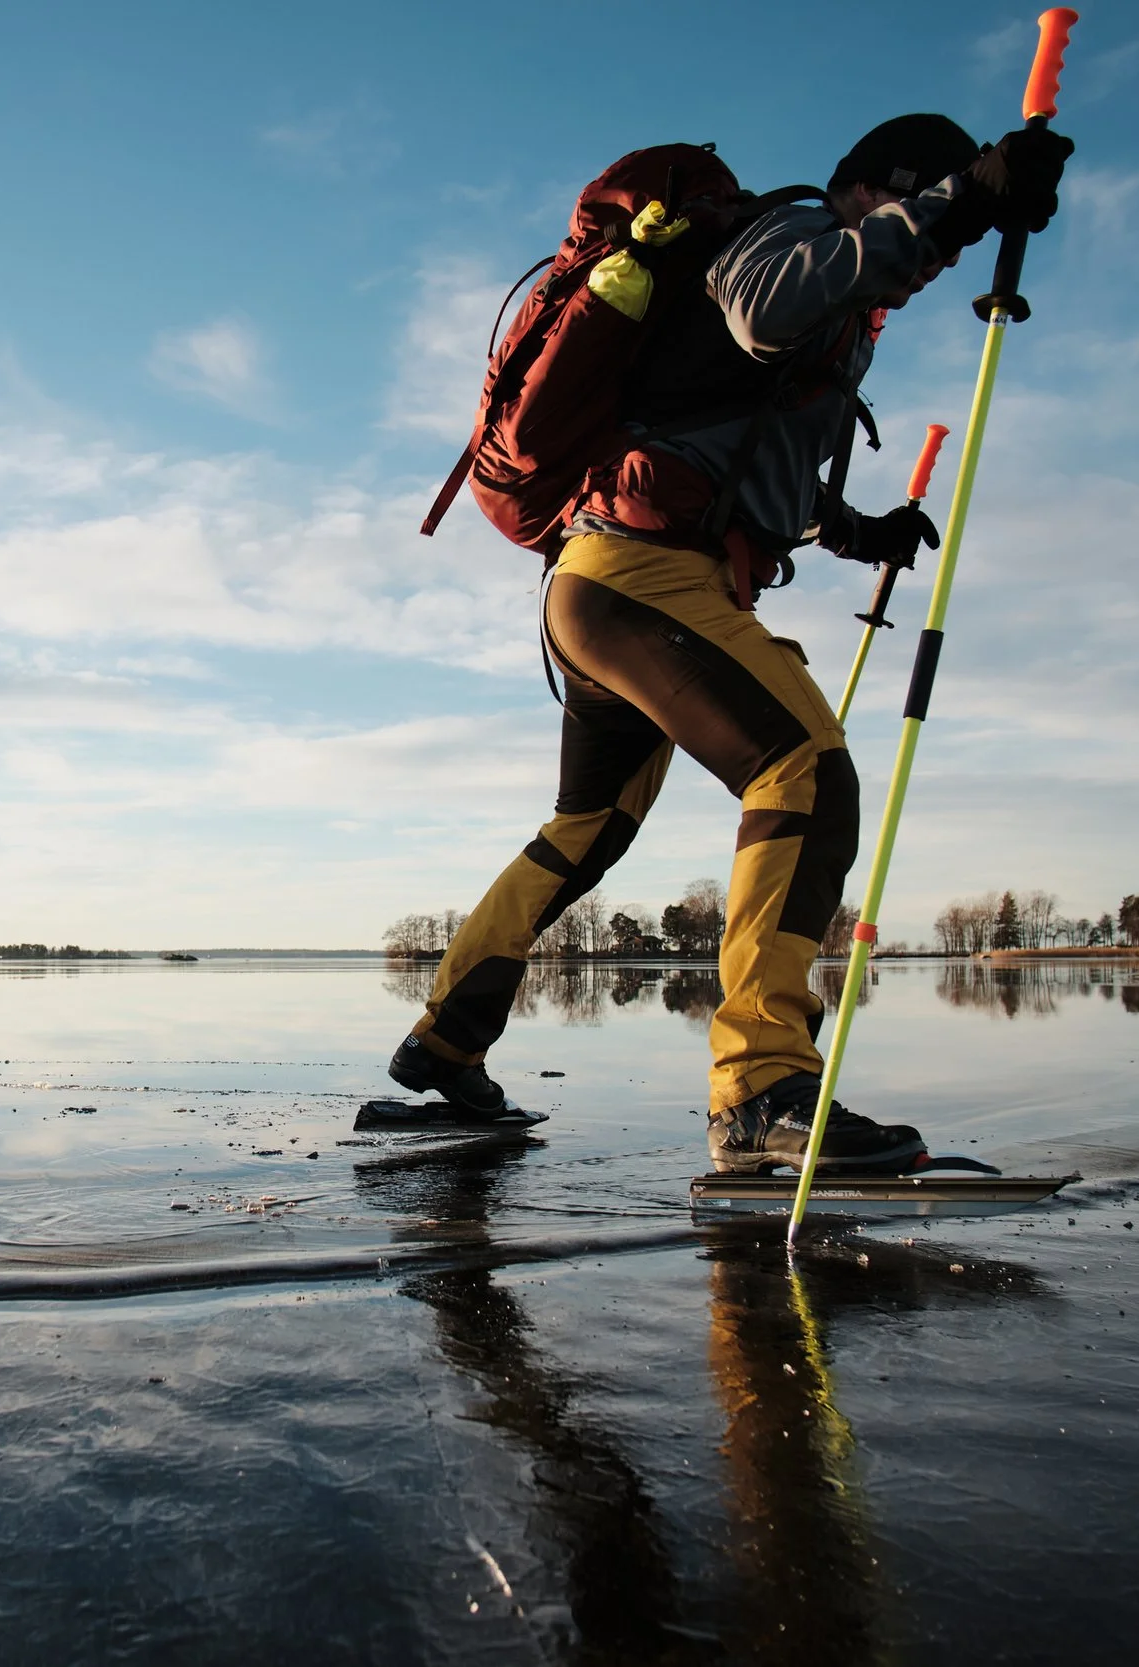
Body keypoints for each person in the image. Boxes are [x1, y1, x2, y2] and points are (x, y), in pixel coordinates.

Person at [391, 114, 1070, 1174]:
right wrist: (970, 200)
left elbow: (749, 481)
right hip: (637, 582)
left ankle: (444, 1045)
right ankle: (759, 1087)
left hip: (613, 588)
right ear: (878, 191)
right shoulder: (785, 234)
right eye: (910, 214)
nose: (910, 272)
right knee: (803, 770)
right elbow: (765, 306)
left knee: (584, 831)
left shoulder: (830, 310)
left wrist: (857, 531)